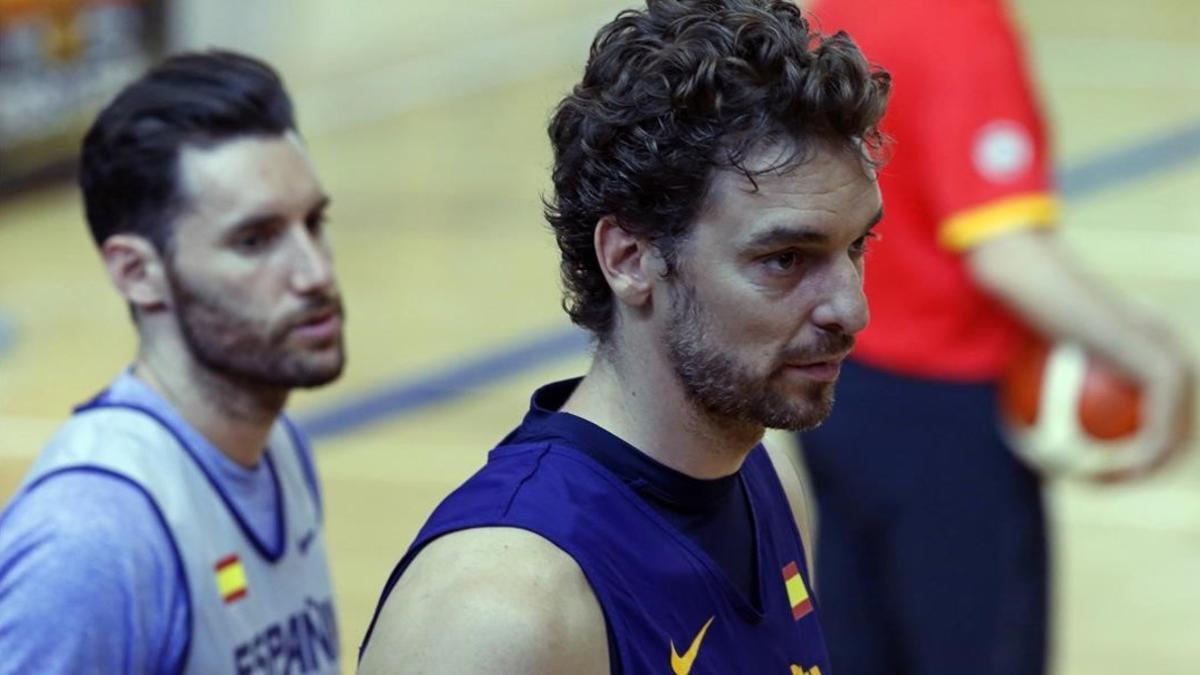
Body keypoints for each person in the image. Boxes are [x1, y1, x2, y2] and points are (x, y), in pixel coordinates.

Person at [357, 1, 890, 673]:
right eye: (784, 259)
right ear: (631, 258)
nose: (852, 306)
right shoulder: (498, 610)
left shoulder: (770, 477)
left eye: (857, 245)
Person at [795, 1, 1197, 674]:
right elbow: (1005, 252)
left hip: (837, 385)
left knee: (860, 647)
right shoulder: (958, 25)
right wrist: (1153, 356)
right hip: (945, 416)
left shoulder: (832, 8)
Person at [0, 50, 346, 674]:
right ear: (138, 273)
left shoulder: (279, 450)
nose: (315, 273)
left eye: (313, 223)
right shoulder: (92, 538)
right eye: (255, 240)